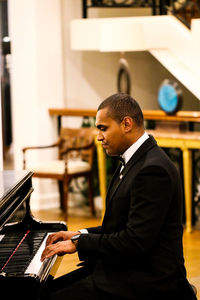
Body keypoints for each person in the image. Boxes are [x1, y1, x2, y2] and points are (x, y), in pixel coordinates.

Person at [41, 93, 197, 300]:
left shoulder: (152, 170)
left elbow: (135, 242)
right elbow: (119, 227)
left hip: (150, 281)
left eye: (103, 128)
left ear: (126, 124)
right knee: (43, 292)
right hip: (126, 268)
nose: (98, 137)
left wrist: (79, 243)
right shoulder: (134, 160)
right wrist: (78, 234)